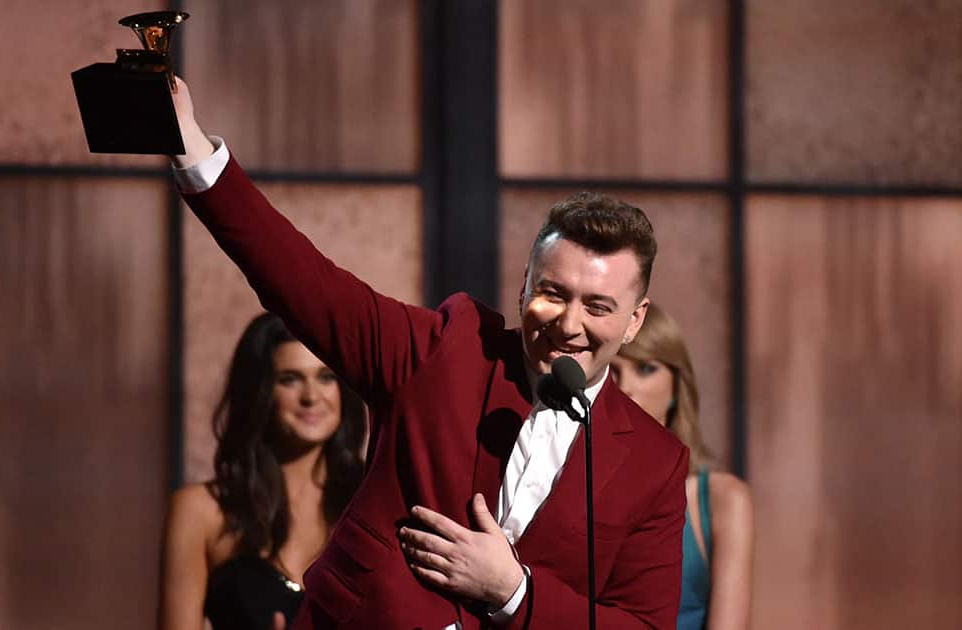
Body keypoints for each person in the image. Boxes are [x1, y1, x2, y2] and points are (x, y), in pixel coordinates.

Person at [169, 77, 688, 629]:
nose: (569, 324)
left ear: (635, 321)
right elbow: (303, 283)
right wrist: (193, 151)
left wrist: (513, 592)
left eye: (598, 307)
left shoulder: (655, 465)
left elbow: (643, 625)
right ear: (524, 287)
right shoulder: (446, 350)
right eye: (553, 293)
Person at [159, 313, 367, 630]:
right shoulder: (199, 511)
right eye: (290, 379)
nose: (312, 396)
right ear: (259, 392)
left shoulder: (371, 499)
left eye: (326, 377)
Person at [610, 304, 753, 630]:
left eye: (646, 369)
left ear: (677, 385)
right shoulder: (569, 486)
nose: (627, 388)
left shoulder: (722, 499)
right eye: (612, 372)